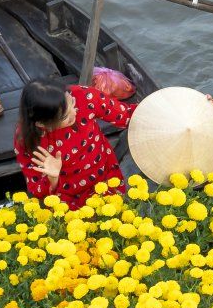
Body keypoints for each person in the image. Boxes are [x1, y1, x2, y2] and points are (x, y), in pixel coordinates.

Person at [14, 77, 139, 210]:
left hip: (105, 176)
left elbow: (126, 115)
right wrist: (52, 177)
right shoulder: (28, 140)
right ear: (42, 124)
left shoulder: (83, 96)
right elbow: (37, 190)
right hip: (68, 198)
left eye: (72, 102)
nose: (75, 112)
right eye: (65, 117)